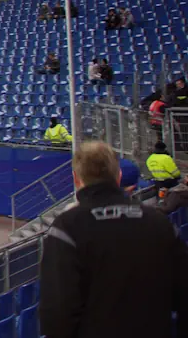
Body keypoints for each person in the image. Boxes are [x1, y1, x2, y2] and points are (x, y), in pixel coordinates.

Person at [39, 141, 188, 338]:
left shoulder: (66, 228)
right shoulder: (159, 223)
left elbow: (57, 313)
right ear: (117, 177)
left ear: (76, 179)